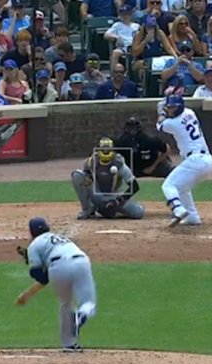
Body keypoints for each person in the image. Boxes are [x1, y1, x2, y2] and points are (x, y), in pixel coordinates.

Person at [19, 217, 97, 352]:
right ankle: (80, 316)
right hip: (81, 261)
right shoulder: (61, 238)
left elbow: (36, 272)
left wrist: (41, 273)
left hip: (58, 267)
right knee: (88, 303)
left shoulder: (34, 245)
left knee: (66, 304)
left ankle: (69, 344)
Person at [156, 94, 212, 227]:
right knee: (183, 188)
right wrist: (167, 107)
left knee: (168, 185)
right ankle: (192, 217)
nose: (170, 109)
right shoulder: (190, 112)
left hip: (195, 160)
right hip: (207, 160)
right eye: (169, 107)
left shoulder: (174, 124)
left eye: (172, 107)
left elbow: (160, 125)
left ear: (178, 107)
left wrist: (161, 111)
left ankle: (178, 209)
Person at [71, 137, 144, 220]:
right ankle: (88, 209)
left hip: (115, 197)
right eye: (103, 149)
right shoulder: (91, 161)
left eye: (108, 149)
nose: (106, 151)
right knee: (77, 175)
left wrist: (118, 201)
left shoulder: (118, 163)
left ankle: (109, 209)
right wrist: (89, 181)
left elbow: (134, 186)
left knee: (138, 213)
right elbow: (85, 176)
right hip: (98, 195)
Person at [104, 5, 139, 72]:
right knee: (115, 52)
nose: (125, 16)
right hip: (123, 47)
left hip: (134, 46)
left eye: (127, 14)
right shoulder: (117, 25)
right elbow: (106, 35)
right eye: (123, 14)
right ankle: (113, 74)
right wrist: (117, 37)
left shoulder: (136, 26)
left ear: (131, 15)